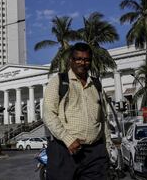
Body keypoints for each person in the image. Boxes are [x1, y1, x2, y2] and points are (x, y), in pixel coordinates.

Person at [43, 42, 111, 180]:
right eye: (78, 59)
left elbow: (103, 119)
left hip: (95, 153)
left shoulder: (96, 85)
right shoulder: (59, 81)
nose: (82, 63)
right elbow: (48, 114)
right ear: (71, 61)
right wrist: (68, 140)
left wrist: (107, 148)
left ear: (90, 62)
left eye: (86, 60)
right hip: (65, 150)